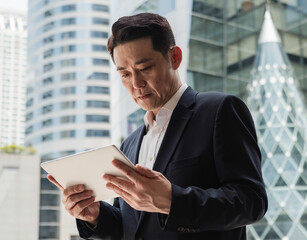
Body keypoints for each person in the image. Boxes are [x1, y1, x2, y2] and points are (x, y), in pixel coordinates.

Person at [48, 12, 267, 240]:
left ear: (175, 57)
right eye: (124, 74)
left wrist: (173, 201)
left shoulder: (219, 110)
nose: (136, 84)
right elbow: (130, 227)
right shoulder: (130, 143)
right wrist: (94, 215)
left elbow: (252, 201)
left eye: (145, 68)